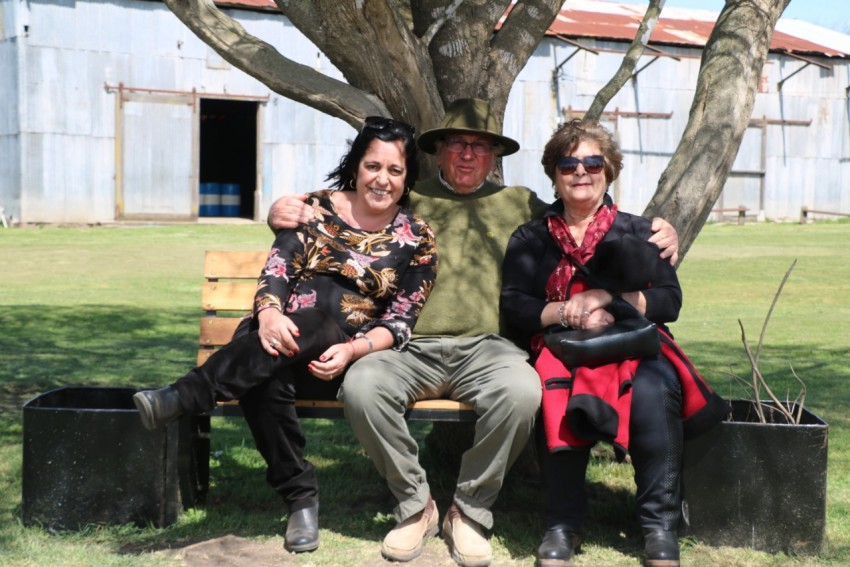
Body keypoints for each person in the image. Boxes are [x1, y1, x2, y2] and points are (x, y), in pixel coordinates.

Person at [267, 99, 680, 567]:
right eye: (458, 144)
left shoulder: (519, 203)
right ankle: (415, 507)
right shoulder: (408, 197)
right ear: (439, 151)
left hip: (489, 349)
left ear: (494, 158)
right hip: (407, 344)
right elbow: (343, 212)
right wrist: (282, 209)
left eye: (481, 147)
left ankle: (468, 511)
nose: (468, 155)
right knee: (362, 388)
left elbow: (582, 213)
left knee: (522, 392)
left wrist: (662, 232)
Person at [132, 116, 438, 554]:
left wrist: (353, 351)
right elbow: (279, 267)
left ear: (407, 178)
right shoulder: (312, 208)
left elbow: (402, 320)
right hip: (271, 337)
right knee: (273, 364)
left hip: (337, 359)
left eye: (394, 170)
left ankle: (186, 397)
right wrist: (271, 313)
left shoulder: (417, 237)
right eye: (373, 166)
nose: (382, 179)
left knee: (307, 330)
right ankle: (301, 502)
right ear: (356, 165)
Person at [500, 119, 727, 567]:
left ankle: (658, 525)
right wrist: (570, 311)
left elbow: (669, 300)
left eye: (592, 162)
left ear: (609, 170)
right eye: (568, 164)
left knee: (653, 389)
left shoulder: (641, 232)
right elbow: (516, 305)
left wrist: (609, 297)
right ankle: (562, 524)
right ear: (554, 174)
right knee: (554, 391)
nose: (580, 172)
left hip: (632, 344)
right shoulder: (530, 238)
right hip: (564, 347)